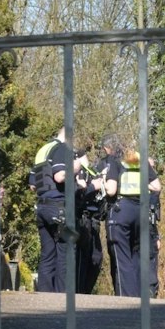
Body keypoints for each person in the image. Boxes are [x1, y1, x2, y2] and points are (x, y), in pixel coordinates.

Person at [103, 140, 161, 299]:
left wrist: (103, 181)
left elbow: (111, 190)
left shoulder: (116, 160)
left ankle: (127, 300)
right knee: (137, 256)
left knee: (122, 258)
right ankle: (140, 297)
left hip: (122, 210)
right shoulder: (141, 160)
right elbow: (157, 186)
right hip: (141, 212)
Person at [28, 125, 74, 291]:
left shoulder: (43, 150)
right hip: (58, 206)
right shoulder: (62, 148)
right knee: (65, 251)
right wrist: (76, 167)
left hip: (42, 206)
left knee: (47, 254)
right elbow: (60, 176)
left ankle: (44, 296)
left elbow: (32, 185)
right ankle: (62, 296)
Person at [70, 143, 106, 294]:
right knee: (81, 258)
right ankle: (78, 292)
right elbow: (78, 193)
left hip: (93, 220)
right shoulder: (75, 171)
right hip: (81, 217)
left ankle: (84, 292)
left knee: (95, 259)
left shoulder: (92, 170)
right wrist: (91, 187)